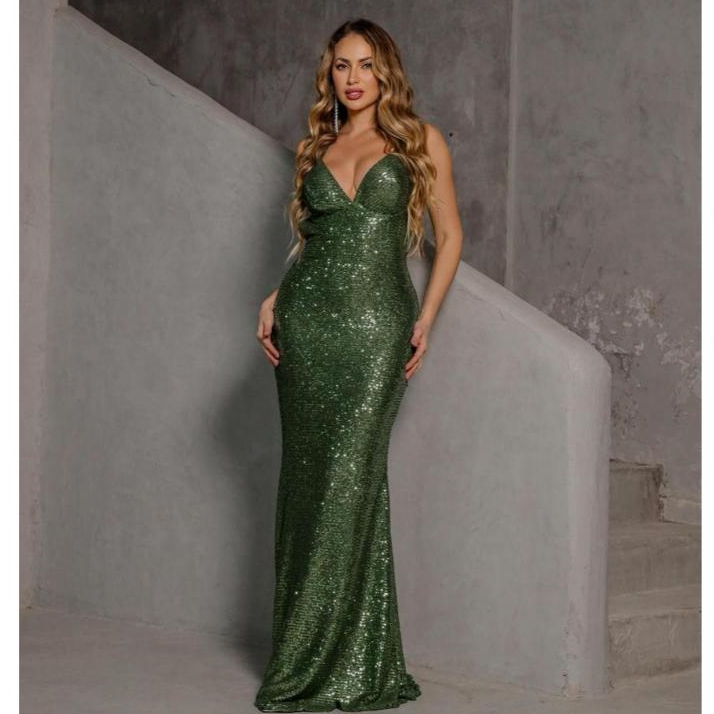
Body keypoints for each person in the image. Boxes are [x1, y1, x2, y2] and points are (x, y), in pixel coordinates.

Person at [254, 17, 463, 712]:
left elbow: (450, 236)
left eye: (366, 65)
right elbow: (314, 242)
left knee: (351, 480)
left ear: (385, 72)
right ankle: (312, 657)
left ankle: (331, 663)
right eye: (342, 65)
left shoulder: (417, 140)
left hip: (378, 330)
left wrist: (426, 317)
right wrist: (276, 296)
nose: (353, 78)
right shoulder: (315, 146)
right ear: (330, 75)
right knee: (308, 484)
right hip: (306, 327)